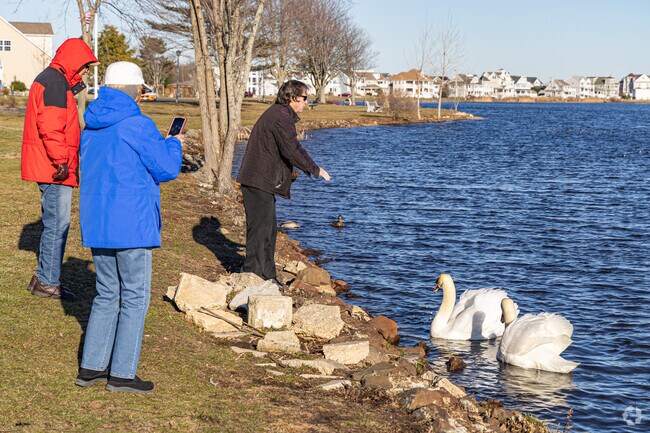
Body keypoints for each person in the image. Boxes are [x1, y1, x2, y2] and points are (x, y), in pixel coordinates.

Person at [75, 62, 182, 393]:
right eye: (141, 89)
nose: (142, 94)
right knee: (135, 296)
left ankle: (91, 368)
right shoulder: (138, 124)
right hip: (131, 223)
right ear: (133, 89)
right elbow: (165, 169)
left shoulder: (90, 126)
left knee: (106, 293)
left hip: (98, 222)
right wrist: (174, 142)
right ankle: (121, 374)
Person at [22, 38, 99, 301]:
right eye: (85, 66)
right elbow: (51, 128)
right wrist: (61, 162)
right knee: (57, 224)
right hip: (54, 168)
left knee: (54, 223)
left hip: (51, 166)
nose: (87, 71)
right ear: (74, 61)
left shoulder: (56, 80)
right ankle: (47, 282)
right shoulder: (54, 82)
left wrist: (75, 84)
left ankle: (43, 278)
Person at [237, 80, 331, 281]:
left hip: (260, 180)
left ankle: (267, 275)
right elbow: (292, 149)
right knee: (260, 230)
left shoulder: (279, 114)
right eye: (305, 98)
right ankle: (251, 275)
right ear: (293, 97)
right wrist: (314, 169)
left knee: (268, 230)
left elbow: (280, 150)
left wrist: (291, 172)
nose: (306, 102)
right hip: (257, 180)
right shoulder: (280, 117)